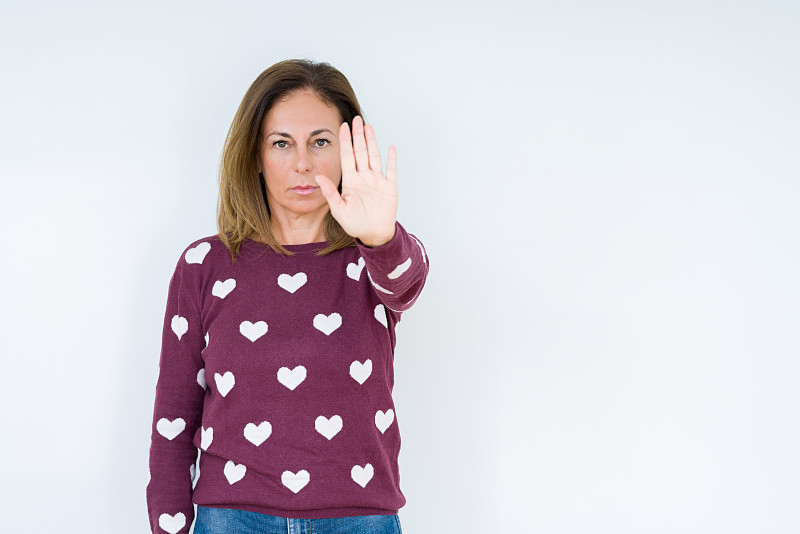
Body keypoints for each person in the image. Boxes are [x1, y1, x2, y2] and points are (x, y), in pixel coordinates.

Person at [145, 58, 429, 534]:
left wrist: (379, 236)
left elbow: (406, 286)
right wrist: (168, 526)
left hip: (359, 518)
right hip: (232, 516)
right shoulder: (203, 265)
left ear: (346, 152)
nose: (302, 163)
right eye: (282, 143)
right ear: (254, 154)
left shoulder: (375, 257)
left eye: (320, 142)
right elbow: (174, 413)